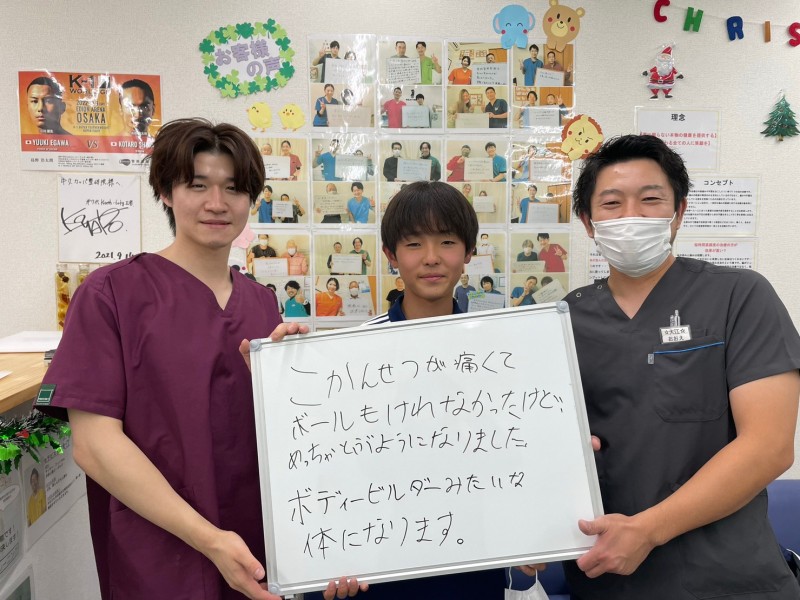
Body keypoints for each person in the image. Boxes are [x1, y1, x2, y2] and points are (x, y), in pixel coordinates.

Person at [33, 117, 361, 600]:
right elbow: (95, 446)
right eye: (198, 185)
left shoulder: (262, 304)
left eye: (234, 188)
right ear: (166, 192)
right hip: (158, 556)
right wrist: (210, 541)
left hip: (258, 552)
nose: (217, 203)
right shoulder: (110, 294)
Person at [563, 133, 800, 599]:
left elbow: (770, 446)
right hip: (607, 577)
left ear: (679, 212)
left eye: (651, 199)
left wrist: (648, 530)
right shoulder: (566, 317)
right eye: (611, 203)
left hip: (727, 579)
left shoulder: (740, 296)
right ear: (588, 223)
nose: (632, 216)